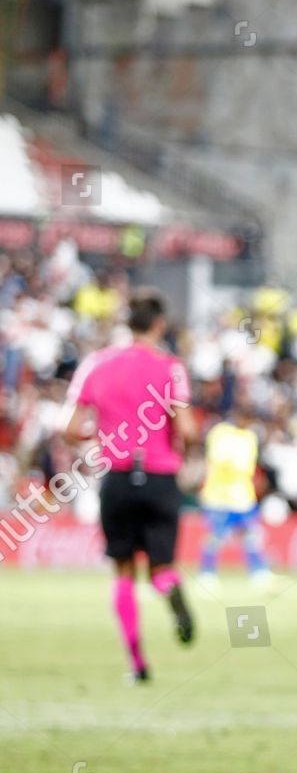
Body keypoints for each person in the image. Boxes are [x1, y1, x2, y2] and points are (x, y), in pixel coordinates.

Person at [64, 289, 198, 682]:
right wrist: (179, 447)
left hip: (118, 477)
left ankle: (137, 665)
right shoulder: (171, 367)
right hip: (160, 476)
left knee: (123, 571)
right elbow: (187, 429)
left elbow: (71, 428)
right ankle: (170, 587)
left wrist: (102, 436)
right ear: (159, 324)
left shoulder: (96, 363)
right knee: (161, 567)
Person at [199, 399, 273, 590]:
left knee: (251, 535)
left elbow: (247, 466)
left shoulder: (250, 436)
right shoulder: (220, 433)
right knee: (215, 536)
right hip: (218, 495)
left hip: (242, 496)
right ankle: (207, 574)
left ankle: (259, 572)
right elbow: (219, 460)